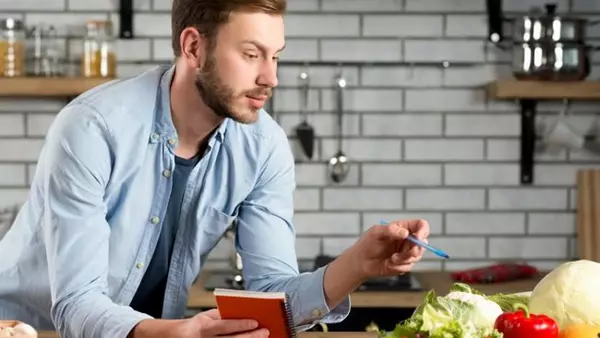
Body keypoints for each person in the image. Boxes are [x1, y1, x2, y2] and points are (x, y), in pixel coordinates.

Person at [0, 0, 430, 337]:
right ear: (193, 47)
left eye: (275, 56)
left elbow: (270, 298)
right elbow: (76, 306)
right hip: (30, 330)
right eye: (251, 54)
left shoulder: (264, 146)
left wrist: (357, 265)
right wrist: (182, 332)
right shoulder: (93, 129)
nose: (271, 78)